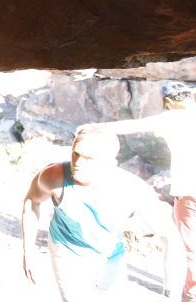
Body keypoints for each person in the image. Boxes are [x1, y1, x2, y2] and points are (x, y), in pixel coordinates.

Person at [21, 128, 180, 301]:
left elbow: (170, 236)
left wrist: (170, 292)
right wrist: (28, 253)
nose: (78, 162)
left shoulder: (132, 189)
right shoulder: (54, 177)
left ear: (111, 163)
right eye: (76, 153)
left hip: (111, 254)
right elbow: (32, 202)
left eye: (89, 158)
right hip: (67, 251)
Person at [77, 81, 196, 301]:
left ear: (169, 102)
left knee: (189, 246)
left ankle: (190, 294)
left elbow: (132, 126)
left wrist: (95, 128)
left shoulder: (171, 118)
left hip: (189, 191)